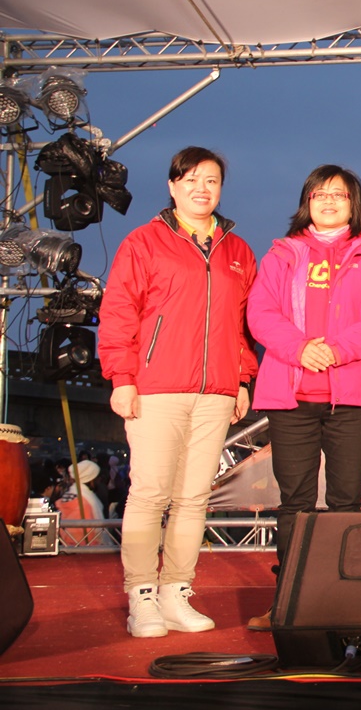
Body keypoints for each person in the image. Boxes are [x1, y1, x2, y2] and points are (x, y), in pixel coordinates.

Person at [98, 146, 257, 638]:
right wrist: (122, 378)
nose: (200, 188)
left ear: (220, 189)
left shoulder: (237, 250)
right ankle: (142, 595)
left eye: (210, 180)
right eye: (190, 179)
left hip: (215, 391)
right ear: (172, 186)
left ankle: (176, 592)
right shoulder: (144, 242)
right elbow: (119, 311)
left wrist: (243, 378)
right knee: (149, 494)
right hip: (157, 387)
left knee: (193, 499)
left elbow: (242, 324)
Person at [246, 165, 361, 629]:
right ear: (306, 202)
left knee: (345, 502)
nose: (329, 201)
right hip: (289, 396)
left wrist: (334, 350)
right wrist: (299, 349)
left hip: (351, 398)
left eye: (339, 194)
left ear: (355, 204)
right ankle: (289, 601)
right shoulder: (282, 254)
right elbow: (260, 313)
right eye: (319, 194)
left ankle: (343, 603)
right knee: (294, 503)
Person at [56, 460, 115, 546]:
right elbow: (98, 531)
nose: (99, 481)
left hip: (68, 546)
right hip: (88, 547)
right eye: (97, 478)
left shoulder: (68, 495)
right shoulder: (87, 500)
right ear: (91, 480)